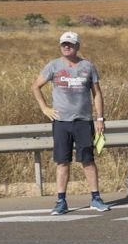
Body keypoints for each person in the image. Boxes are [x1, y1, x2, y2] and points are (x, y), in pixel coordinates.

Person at [34, 31, 108, 215]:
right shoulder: (53, 66)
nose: (66, 47)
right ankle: (61, 201)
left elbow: (97, 93)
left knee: (88, 161)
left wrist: (100, 118)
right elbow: (35, 86)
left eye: (70, 44)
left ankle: (96, 198)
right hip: (61, 122)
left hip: (83, 121)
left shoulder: (87, 66)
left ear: (77, 46)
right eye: (63, 44)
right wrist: (45, 108)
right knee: (62, 162)